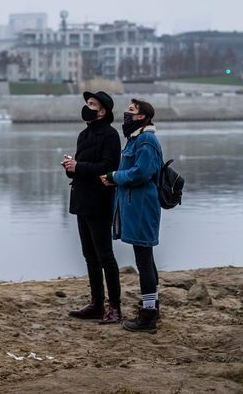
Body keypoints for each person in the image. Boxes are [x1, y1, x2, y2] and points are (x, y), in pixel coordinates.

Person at [100, 98, 162, 333]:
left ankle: (148, 316)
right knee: (146, 258)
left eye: (131, 110)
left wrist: (115, 176)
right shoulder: (137, 139)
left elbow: (141, 173)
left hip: (143, 207)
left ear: (141, 117)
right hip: (136, 206)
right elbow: (132, 172)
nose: (126, 113)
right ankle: (152, 306)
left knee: (144, 260)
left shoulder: (146, 139)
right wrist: (114, 178)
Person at [61, 90, 123, 324]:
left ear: (103, 111)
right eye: (87, 103)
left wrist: (79, 166)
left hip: (100, 201)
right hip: (81, 201)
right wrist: (70, 167)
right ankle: (96, 303)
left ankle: (114, 307)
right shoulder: (83, 134)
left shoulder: (110, 135)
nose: (87, 107)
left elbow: (109, 165)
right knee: (89, 255)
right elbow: (82, 166)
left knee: (105, 255)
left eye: (92, 104)